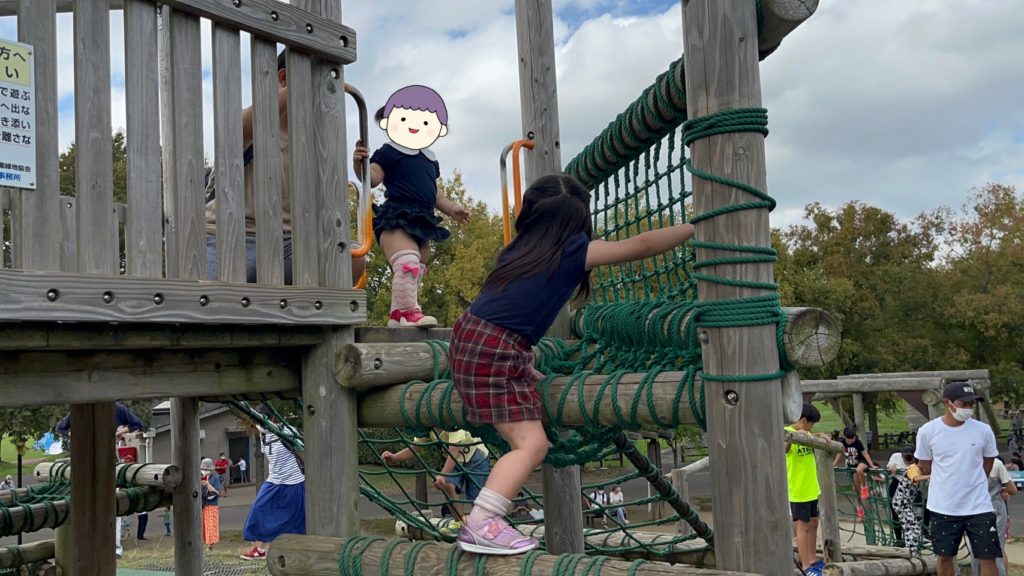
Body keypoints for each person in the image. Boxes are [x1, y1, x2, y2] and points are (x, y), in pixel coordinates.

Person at [447, 173, 695, 555]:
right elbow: (641, 245)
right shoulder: (572, 250)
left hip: (470, 337)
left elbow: (503, 310)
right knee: (531, 445)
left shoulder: (517, 251)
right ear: (579, 222)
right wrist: (695, 227)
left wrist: (519, 359)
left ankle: (483, 520)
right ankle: (482, 522)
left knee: (526, 436)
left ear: (531, 215)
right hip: (495, 349)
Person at [205, 50, 366, 285]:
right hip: (229, 236)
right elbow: (243, 125)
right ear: (283, 79)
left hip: (288, 244)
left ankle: (308, 308)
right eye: (320, 81)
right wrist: (303, 86)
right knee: (206, 294)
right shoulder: (251, 124)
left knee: (351, 257)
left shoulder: (314, 145)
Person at [351, 85, 470, 328]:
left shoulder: (429, 159)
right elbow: (372, 177)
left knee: (416, 270)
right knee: (408, 262)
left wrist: (451, 208)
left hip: (423, 220)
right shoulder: (390, 151)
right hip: (398, 217)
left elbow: (435, 193)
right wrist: (360, 164)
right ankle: (408, 312)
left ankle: (398, 314)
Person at [915, 381, 1001, 576]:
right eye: (963, 404)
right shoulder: (928, 431)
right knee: (944, 556)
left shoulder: (983, 430)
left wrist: (973, 480)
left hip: (979, 505)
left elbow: (988, 461)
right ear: (948, 403)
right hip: (943, 506)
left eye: (971, 404)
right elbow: (925, 464)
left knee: (988, 556)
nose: (968, 409)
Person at [381, 428, 491, 522]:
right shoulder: (429, 428)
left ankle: (482, 524)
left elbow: (454, 452)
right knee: (447, 485)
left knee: (477, 498)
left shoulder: (452, 425)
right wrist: (395, 457)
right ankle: (460, 523)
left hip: (476, 458)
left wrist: (442, 475)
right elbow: (415, 447)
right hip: (456, 461)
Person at [241, 412, 306, 561]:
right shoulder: (264, 435)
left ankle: (296, 553)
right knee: (259, 509)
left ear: (272, 418)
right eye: (256, 422)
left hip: (293, 481)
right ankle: (259, 549)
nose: (258, 425)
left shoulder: (287, 432)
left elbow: (302, 453)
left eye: (261, 421)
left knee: (294, 520)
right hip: (273, 480)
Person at [785, 403, 826, 576]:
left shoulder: (808, 434)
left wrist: (818, 436)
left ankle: (813, 560)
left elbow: (812, 437)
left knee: (814, 523)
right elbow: (783, 449)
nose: (812, 428)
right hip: (798, 488)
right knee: (802, 526)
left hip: (811, 487)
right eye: (811, 424)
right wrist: (794, 437)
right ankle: (806, 565)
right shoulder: (787, 431)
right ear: (803, 420)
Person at [970, 457, 1017, 576]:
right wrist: (1001, 488)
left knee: (976, 549)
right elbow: (1012, 490)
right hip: (994, 508)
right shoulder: (996, 463)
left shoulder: (968, 461)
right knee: (997, 549)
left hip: (973, 509)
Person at [890, 453, 929, 553]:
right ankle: (911, 552)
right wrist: (930, 476)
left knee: (914, 524)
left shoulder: (919, 469)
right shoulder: (914, 468)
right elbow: (915, 478)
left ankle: (912, 549)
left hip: (906, 503)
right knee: (913, 526)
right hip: (901, 503)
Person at [833, 425, 877, 508]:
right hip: (852, 466)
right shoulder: (842, 443)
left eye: (852, 438)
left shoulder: (858, 442)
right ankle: (859, 506)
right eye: (848, 438)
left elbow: (865, 454)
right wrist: (833, 464)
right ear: (844, 436)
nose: (850, 440)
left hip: (861, 462)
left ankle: (864, 487)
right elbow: (839, 454)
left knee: (859, 469)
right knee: (856, 489)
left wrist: (872, 465)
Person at [886, 445, 915, 544]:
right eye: (905, 457)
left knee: (915, 511)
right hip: (896, 484)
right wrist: (891, 467)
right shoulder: (896, 456)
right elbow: (890, 467)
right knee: (896, 514)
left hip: (911, 486)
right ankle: (899, 539)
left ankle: (918, 534)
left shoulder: (917, 459)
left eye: (910, 457)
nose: (908, 460)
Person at [199, 457, 222, 550]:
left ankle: (211, 545)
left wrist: (208, 484)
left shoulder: (215, 478)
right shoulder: (199, 478)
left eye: (206, 469)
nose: (204, 471)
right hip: (202, 504)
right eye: (203, 469)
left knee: (211, 524)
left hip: (211, 504)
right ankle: (203, 544)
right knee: (202, 524)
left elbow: (217, 491)